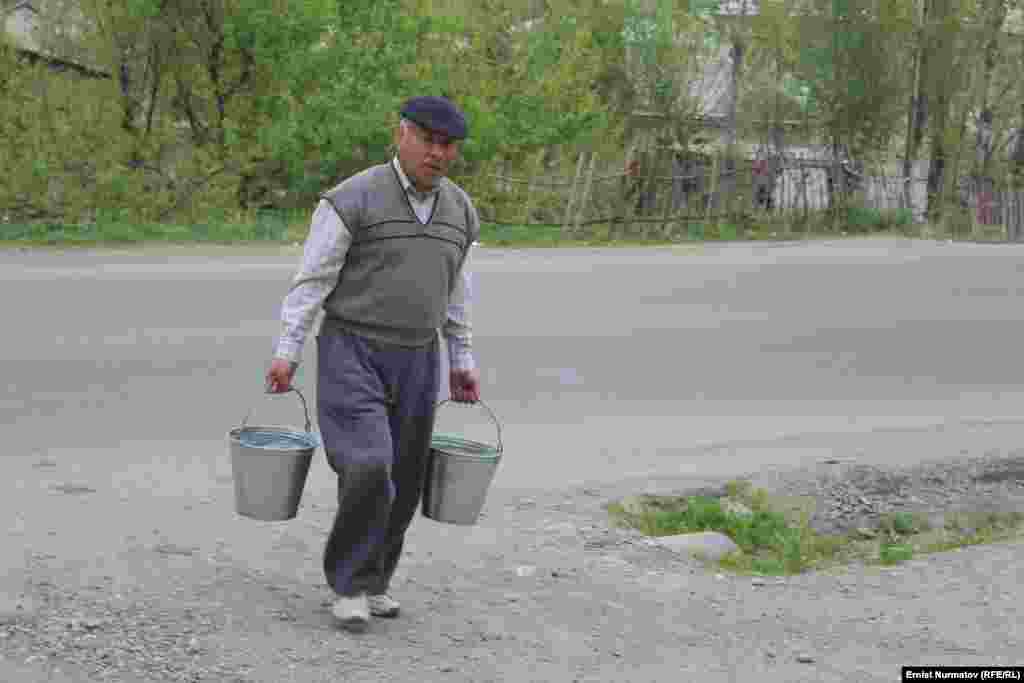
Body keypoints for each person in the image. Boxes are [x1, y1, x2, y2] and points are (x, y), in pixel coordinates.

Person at [264, 96, 482, 633]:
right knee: (367, 464)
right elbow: (313, 279)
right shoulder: (352, 199)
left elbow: (455, 290)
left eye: (447, 144)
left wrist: (462, 357)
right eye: (427, 140)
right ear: (401, 134)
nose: (438, 153)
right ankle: (349, 583)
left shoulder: (461, 211)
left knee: (405, 477)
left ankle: (376, 578)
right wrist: (288, 350)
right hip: (352, 349)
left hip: (418, 356)